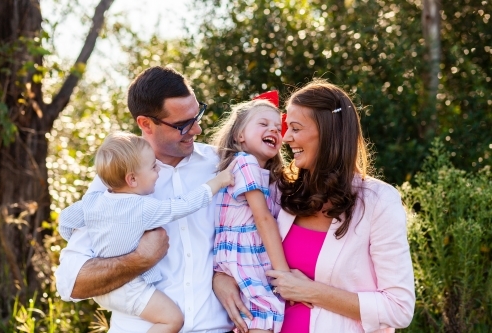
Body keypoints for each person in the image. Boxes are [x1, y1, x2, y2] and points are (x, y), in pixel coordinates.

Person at [213, 80, 415, 332]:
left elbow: (400, 309)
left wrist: (311, 291)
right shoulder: (283, 189)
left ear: (328, 133)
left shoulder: (379, 201)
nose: (285, 138)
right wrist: (220, 277)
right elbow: (243, 241)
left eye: (295, 128)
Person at [55, 66, 244, 333]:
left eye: (197, 115)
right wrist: (140, 258)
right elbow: (72, 282)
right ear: (145, 124)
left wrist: (224, 274)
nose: (198, 129)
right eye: (182, 125)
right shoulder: (113, 188)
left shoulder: (221, 166)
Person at [209, 99, 287, 333]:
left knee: (256, 318)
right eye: (263, 123)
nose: (273, 129)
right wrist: (284, 276)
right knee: (263, 313)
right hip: (244, 255)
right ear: (239, 135)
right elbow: (263, 219)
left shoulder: (267, 175)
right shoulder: (245, 162)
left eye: (278, 127)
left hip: (248, 255)